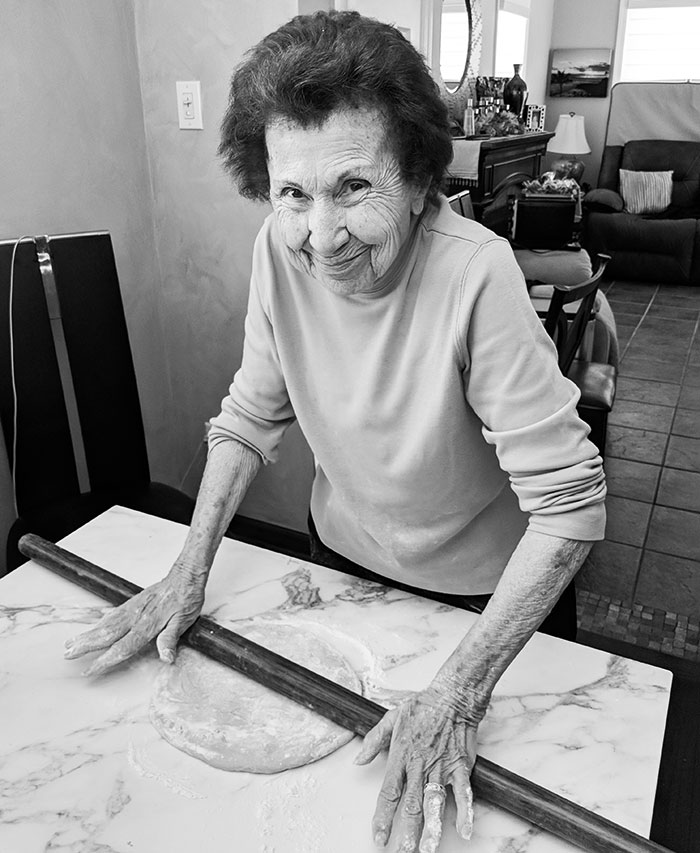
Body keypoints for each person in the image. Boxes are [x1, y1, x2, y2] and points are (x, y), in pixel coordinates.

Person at [65, 11, 606, 852]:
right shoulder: (277, 255)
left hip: (483, 602)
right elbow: (249, 415)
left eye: (354, 187)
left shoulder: (476, 273)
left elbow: (571, 507)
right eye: (292, 193)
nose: (320, 236)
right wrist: (188, 571)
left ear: (420, 179)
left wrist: (459, 692)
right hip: (346, 559)